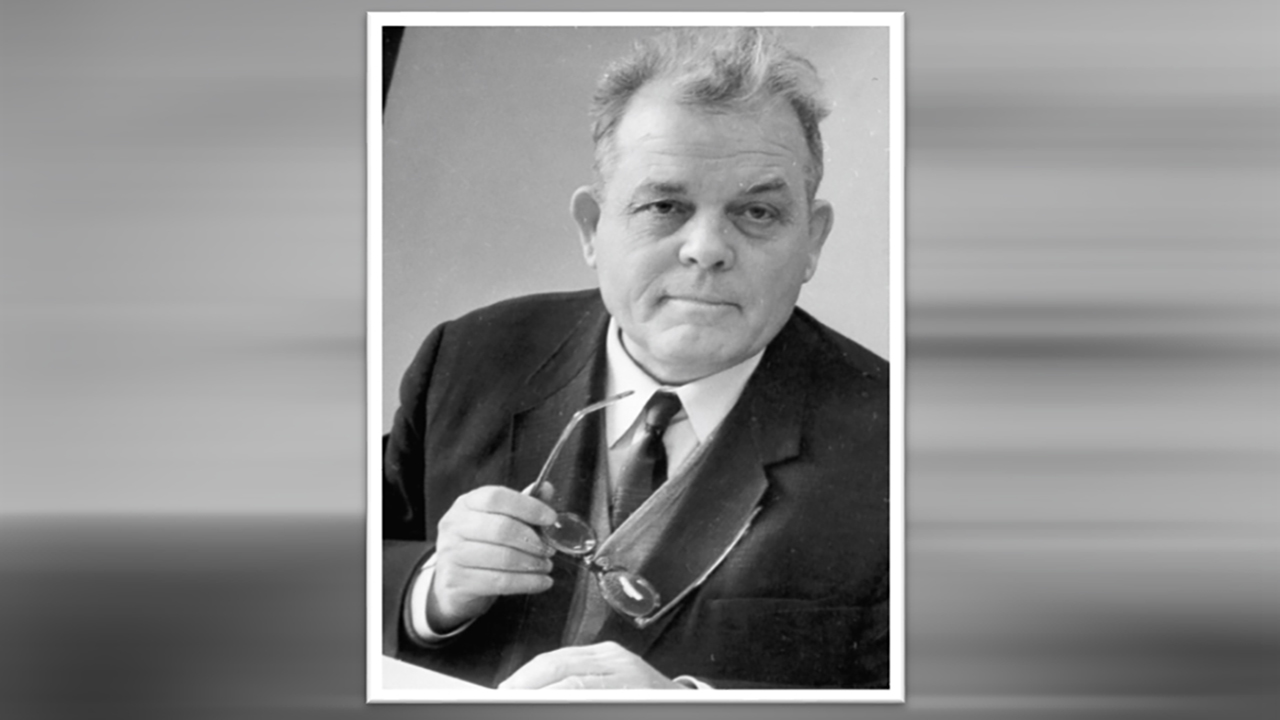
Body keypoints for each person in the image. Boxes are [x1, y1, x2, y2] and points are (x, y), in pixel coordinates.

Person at [382, 27, 889, 690]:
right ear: (593, 228)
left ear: (812, 240)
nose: (707, 249)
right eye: (664, 205)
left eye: (758, 212)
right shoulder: (469, 357)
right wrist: (428, 592)